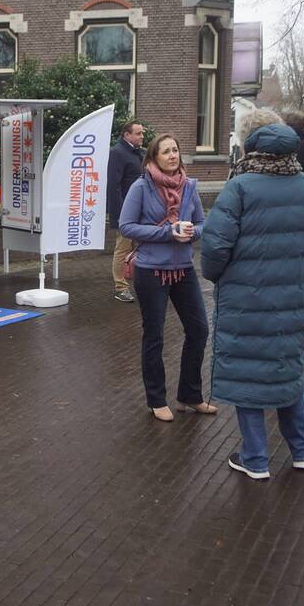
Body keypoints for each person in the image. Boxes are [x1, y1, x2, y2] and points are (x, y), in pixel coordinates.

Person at [200, 109, 304, 479]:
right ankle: (303, 450)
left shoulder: (239, 186)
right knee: (287, 374)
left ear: (249, 141)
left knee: (247, 376)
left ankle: (255, 458)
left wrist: (216, 275)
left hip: (247, 300)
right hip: (293, 300)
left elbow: (215, 247)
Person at [119, 134, 216, 421]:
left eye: (175, 150)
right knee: (155, 336)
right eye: (166, 152)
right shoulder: (141, 187)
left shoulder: (189, 187)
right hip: (151, 270)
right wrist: (166, 233)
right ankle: (156, 400)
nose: (173, 155)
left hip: (183, 268)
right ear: (153, 158)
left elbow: (202, 222)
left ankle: (190, 395)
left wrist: (192, 232)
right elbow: (126, 226)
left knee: (199, 330)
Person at [107, 120, 146, 303]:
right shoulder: (117, 153)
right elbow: (113, 186)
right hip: (127, 213)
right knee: (122, 248)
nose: (142, 136)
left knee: (141, 246)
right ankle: (121, 287)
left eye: (142, 133)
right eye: (138, 133)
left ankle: (140, 280)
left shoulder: (137, 153)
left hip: (141, 210)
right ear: (127, 135)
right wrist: (121, 214)